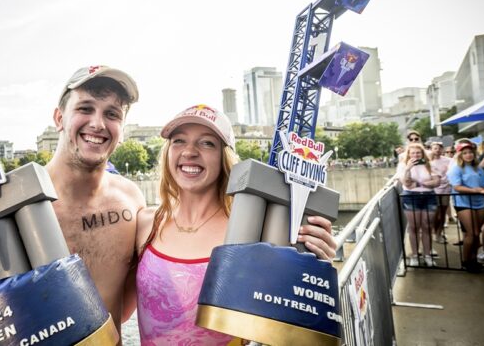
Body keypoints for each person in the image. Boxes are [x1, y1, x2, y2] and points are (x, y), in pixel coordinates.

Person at [0, 65, 146, 339]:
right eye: (85, 108)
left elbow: (126, 306)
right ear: (59, 118)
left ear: (122, 130)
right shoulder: (4, 206)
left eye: (112, 114)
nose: (98, 123)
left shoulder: (131, 200)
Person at [129, 105, 337, 344]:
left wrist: (316, 268)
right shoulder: (145, 224)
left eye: (207, 143)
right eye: (178, 141)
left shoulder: (251, 232)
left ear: (224, 157)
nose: (189, 151)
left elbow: (293, 319)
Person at [448, 141, 484, 272]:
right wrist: (477, 190)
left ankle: (474, 260)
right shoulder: (456, 168)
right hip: (463, 203)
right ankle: (466, 261)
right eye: (465, 153)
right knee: (470, 234)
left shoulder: (478, 169)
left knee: (477, 233)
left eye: (470, 152)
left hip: (480, 203)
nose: (468, 155)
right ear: (460, 154)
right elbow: (457, 187)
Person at [397, 143, 440, 267]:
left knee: (427, 227)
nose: (415, 155)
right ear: (408, 154)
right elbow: (406, 182)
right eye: (413, 153)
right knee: (414, 227)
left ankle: (427, 255)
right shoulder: (403, 165)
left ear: (422, 154)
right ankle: (415, 255)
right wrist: (408, 169)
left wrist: (419, 184)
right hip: (411, 197)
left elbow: (437, 182)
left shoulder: (430, 165)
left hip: (429, 197)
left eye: (418, 153)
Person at [430, 141, 452, 244]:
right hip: (433, 190)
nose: (437, 150)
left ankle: (439, 233)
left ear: (442, 149)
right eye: (435, 148)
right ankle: (435, 231)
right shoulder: (428, 161)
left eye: (439, 148)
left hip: (445, 189)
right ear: (431, 149)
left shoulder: (448, 160)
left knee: (443, 213)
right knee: (435, 213)